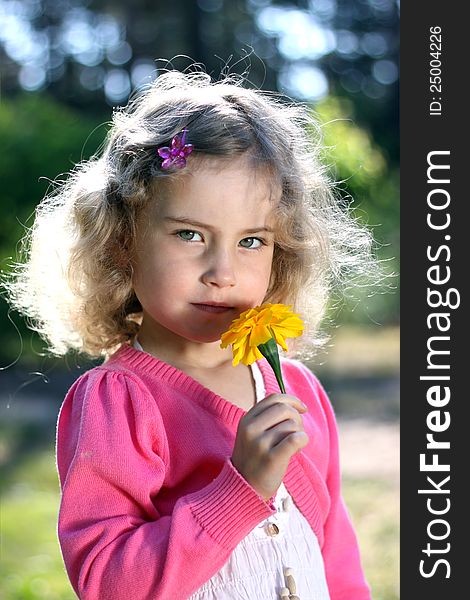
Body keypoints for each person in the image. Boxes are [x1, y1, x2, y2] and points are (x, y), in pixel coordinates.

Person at [6, 69, 376, 599]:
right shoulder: (119, 403)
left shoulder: (295, 390)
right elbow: (108, 583)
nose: (221, 271)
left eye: (251, 241)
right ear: (121, 243)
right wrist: (240, 487)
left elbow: (336, 556)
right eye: (189, 234)